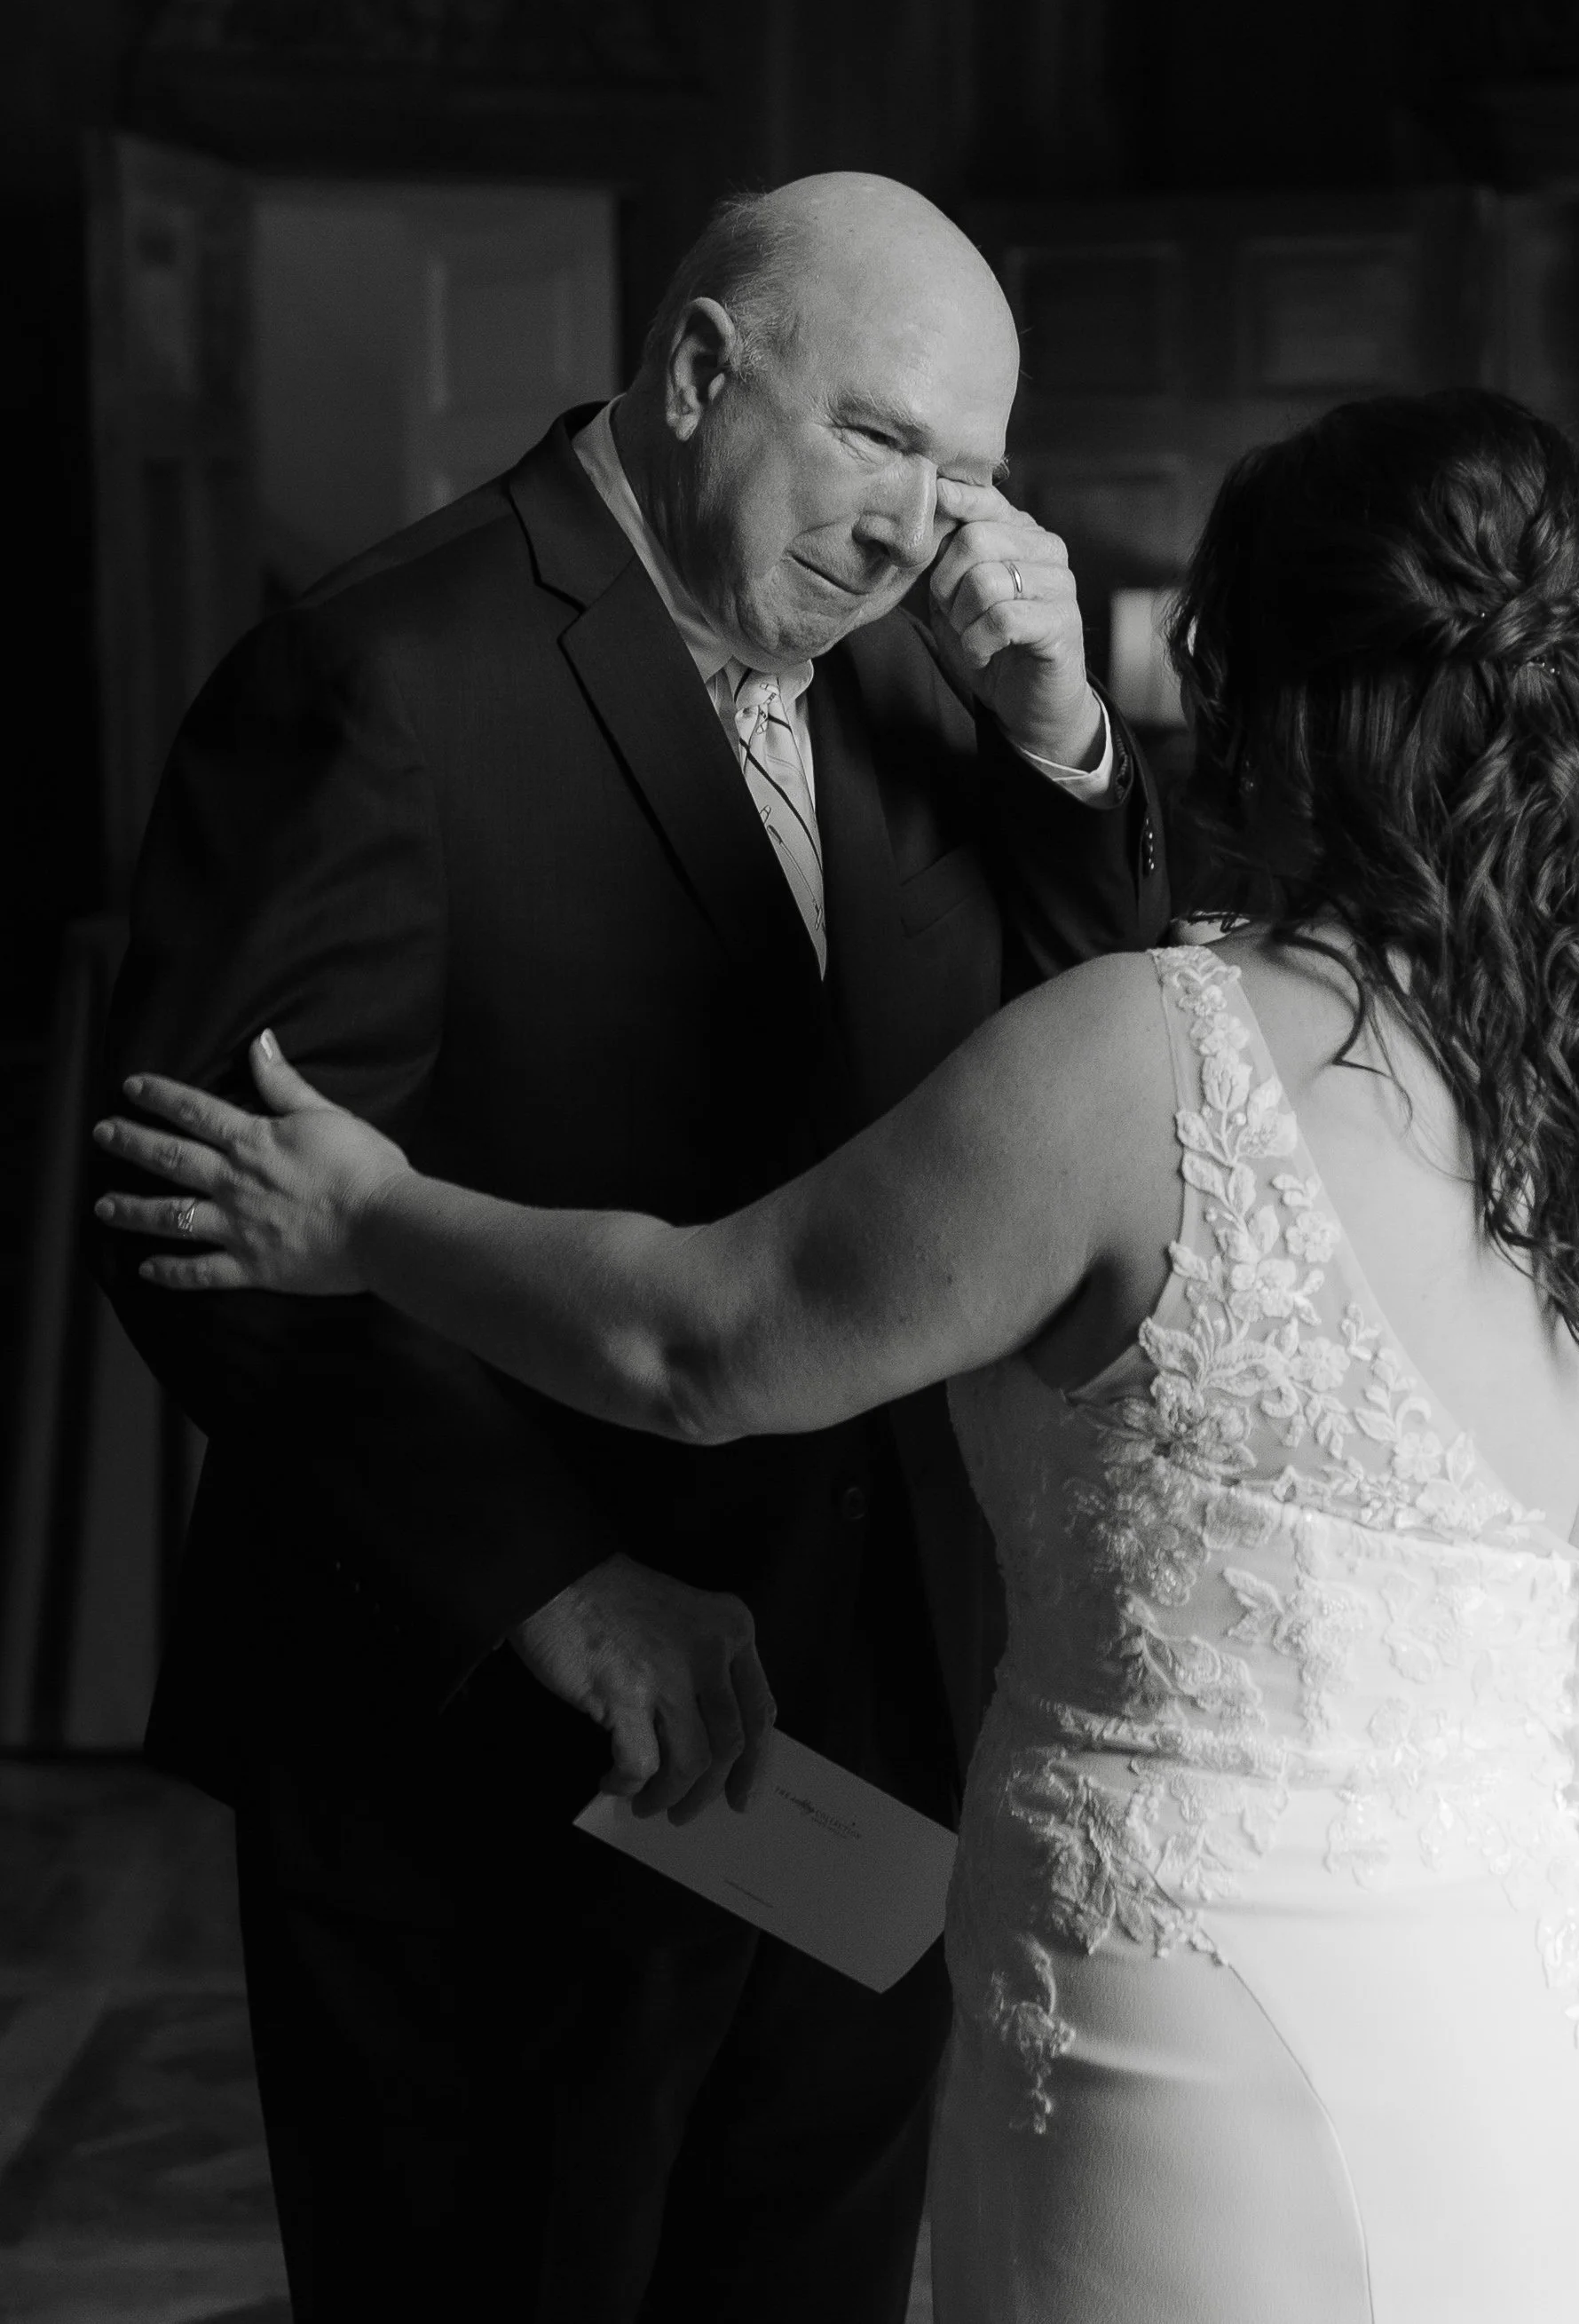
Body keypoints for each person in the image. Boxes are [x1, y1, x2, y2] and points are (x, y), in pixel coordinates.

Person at [98, 388, 1579, 2323]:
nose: (932, 524)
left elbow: (698, 1335)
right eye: (897, 440)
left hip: (1222, 2046)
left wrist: (368, 1211)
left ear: (1258, 684)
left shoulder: (1152, 1051)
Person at [93, 173, 1167, 2324]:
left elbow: (1111, 1074)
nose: (914, 530)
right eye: (880, 440)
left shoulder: (938, 685)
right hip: (495, 1769)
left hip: (870, 1729)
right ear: (697, 371)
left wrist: (1063, 738)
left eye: (969, 474)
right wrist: (561, 1590)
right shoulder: (373, 678)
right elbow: (199, 1217)